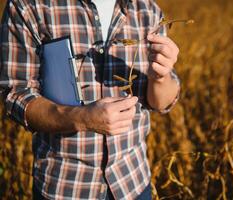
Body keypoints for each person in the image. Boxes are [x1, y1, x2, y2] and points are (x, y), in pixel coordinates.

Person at [0, 0, 180, 199]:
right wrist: (83, 119)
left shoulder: (148, 10)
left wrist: (161, 77)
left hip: (132, 182)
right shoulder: (28, 6)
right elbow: (16, 95)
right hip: (65, 186)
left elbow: (161, 103)